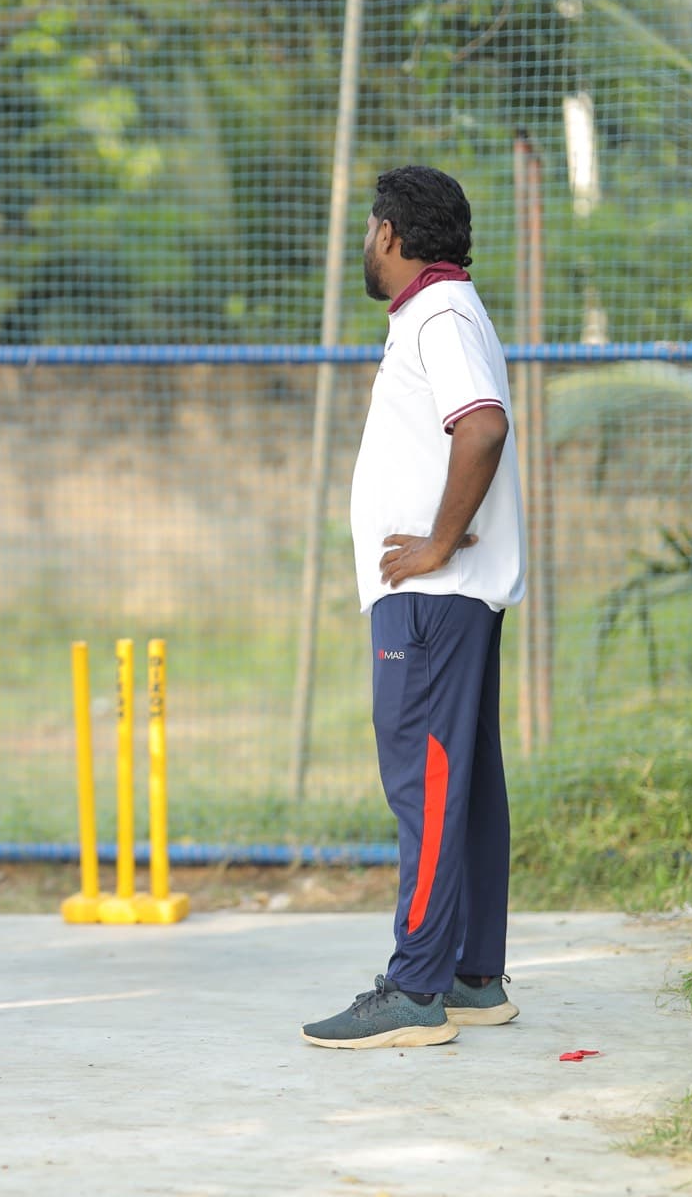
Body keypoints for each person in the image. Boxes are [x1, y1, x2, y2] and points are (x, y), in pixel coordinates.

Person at [302, 165, 525, 1050]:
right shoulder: (443, 311)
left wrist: (436, 541)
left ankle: (417, 989)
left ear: (390, 234)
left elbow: (483, 425)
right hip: (446, 602)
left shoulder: (438, 313)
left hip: (431, 601)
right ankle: (471, 975)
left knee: (425, 783)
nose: (366, 242)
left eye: (370, 228)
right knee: (460, 783)